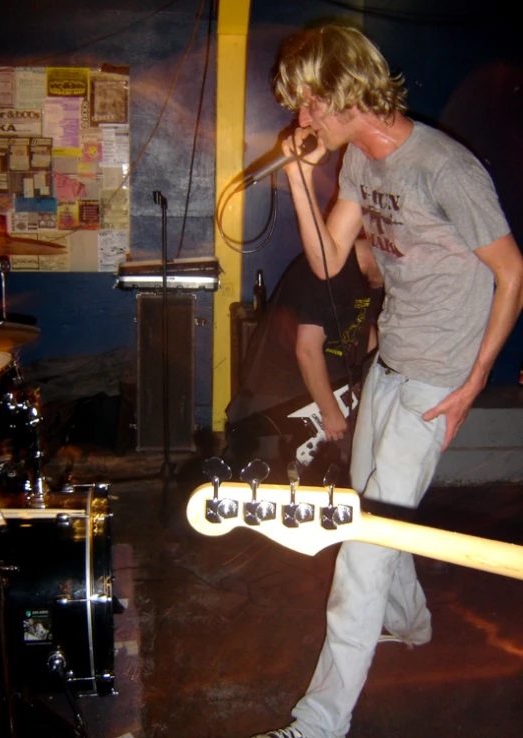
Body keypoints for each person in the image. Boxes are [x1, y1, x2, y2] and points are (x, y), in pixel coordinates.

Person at [250, 23, 523, 738]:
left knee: (362, 540)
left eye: (309, 105)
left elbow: (513, 275)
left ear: (346, 94)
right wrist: (299, 175)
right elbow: (326, 259)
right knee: (371, 509)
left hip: (439, 378)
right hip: (391, 364)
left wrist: (474, 381)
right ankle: (409, 623)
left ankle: (319, 723)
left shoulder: (446, 171)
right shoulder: (362, 166)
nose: (300, 119)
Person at [224, 238, 382, 484]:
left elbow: (363, 332)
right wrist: (330, 411)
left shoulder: (364, 278)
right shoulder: (329, 271)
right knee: (273, 487)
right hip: (285, 397)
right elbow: (307, 350)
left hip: (321, 394)